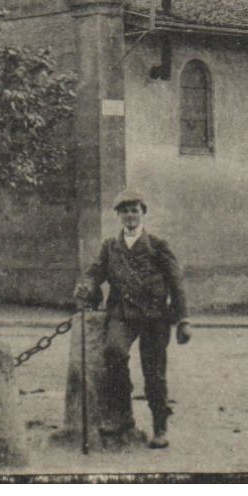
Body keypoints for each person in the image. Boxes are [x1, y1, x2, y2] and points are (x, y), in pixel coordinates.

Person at [74, 189, 191, 448]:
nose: (130, 216)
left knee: (154, 373)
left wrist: (183, 319)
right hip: (122, 314)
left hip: (154, 317)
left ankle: (160, 426)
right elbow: (95, 273)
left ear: (143, 213)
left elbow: (176, 283)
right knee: (113, 352)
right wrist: (87, 286)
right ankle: (122, 416)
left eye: (134, 210)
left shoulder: (158, 245)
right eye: (124, 211)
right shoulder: (110, 246)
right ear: (118, 215)